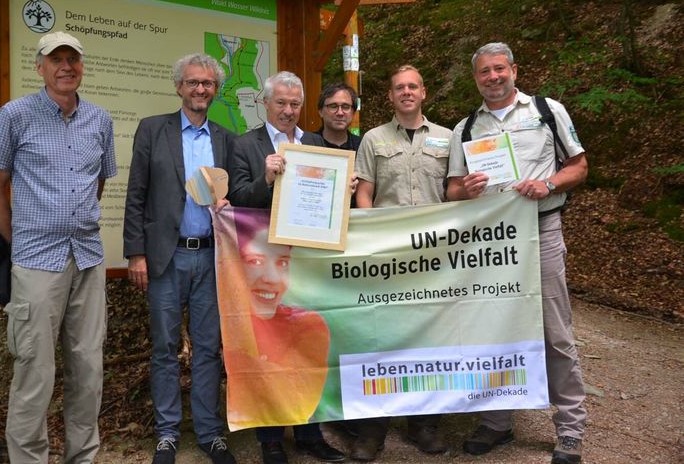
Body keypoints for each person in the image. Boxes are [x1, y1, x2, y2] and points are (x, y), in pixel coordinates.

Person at [446, 42, 588, 464]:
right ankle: (496, 422)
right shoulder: (466, 127)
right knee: (493, 328)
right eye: (484, 72)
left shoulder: (547, 111)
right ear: (476, 79)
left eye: (499, 69)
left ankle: (570, 428)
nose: (493, 77)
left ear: (513, 70)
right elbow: (452, 189)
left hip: (539, 231)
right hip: (490, 242)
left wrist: (548, 184)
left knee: (554, 330)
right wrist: (463, 190)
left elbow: (579, 166)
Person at [0, 31, 117, 463]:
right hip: (37, 263)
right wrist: (20, 240)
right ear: (39, 67)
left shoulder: (100, 119)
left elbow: (97, 184)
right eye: (56, 59)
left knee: (89, 369)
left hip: (88, 258)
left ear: (82, 66)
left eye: (73, 59)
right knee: (34, 372)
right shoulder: (14, 115)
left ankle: (83, 457)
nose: (66, 66)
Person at [122, 53, 236, 464]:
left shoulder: (226, 138)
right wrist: (136, 253)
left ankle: (209, 433)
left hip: (211, 259)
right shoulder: (153, 130)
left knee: (209, 349)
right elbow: (136, 195)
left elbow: (238, 196)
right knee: (165, 347)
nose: (200, 89)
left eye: (207, 83)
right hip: (165, 260)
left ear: (216, 90)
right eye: (193, 82)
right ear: (179, 87)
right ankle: (167, 434)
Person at [228, 71, 345, 464]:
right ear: (266, 104)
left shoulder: (315, 143)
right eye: (281, 103)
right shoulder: (244, 145)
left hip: (306, 264)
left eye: (295, 104)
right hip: (264, 267)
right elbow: (238, 198)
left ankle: (311, 434)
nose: (289, 111)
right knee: (268, 347)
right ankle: (272, 440)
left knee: (304, 351)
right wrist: (265, 177)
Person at [352, 64, 451, 461]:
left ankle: (423, 425)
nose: (406, 92)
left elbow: (455, 191)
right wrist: (372, 240)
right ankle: (372, 428)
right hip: (389, 256)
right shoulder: (373, 139)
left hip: (434, 259)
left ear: (423, 92)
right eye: (399, 88)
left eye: (412, 86)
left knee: (428, 339)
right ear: (390, 97)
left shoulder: (448, 137)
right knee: (382, 339)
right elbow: (365, 194)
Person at [219, 208, 331, 429]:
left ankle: (309, 437)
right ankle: (271, 443)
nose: (272, 278)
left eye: (282, 263)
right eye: (255, 261)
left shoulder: (307, 325)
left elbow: (301, 397)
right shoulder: (228, 323)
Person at [316, 82, 362, 152]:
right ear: (320, 111)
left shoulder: (362, 146)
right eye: (333, 106)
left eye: (345, 107)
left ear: (353, 113)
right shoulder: (306, 143)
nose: (340, 113)